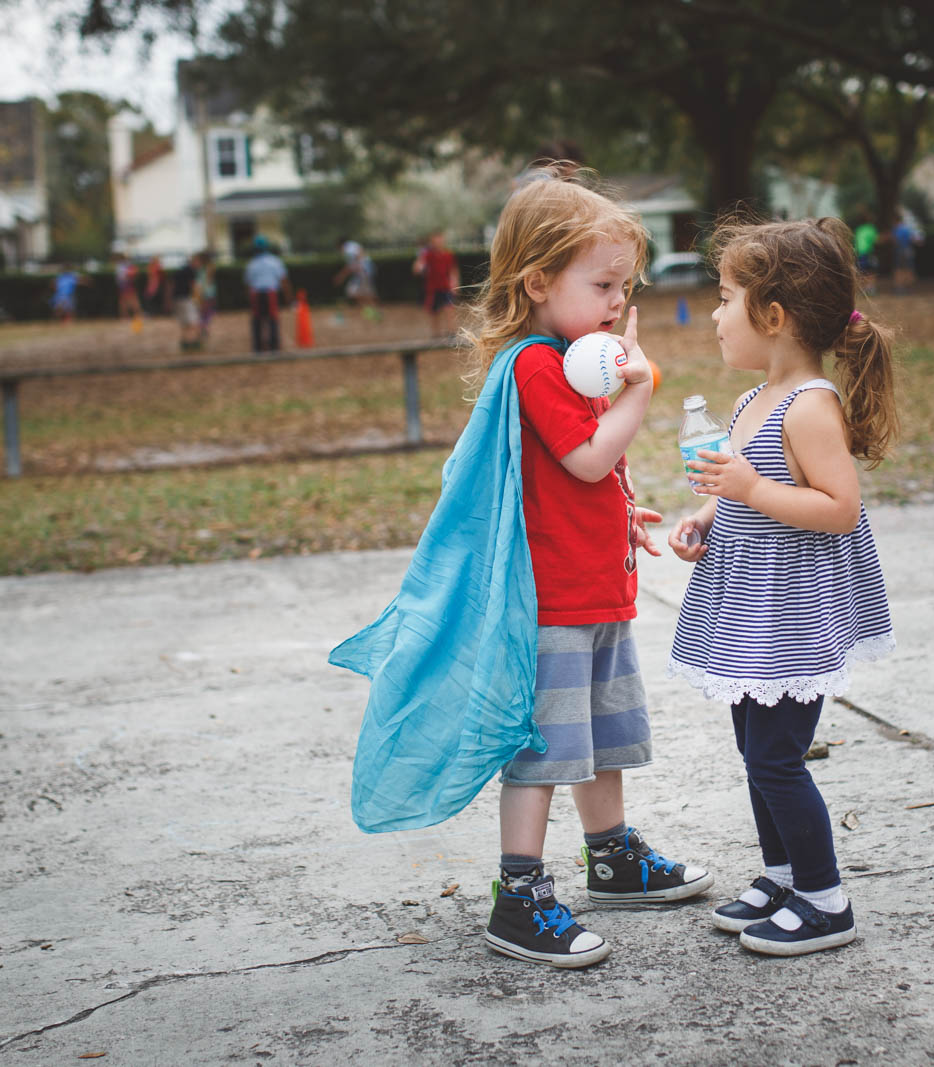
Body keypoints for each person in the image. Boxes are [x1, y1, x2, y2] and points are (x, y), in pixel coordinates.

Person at [331, 170, 712, 970]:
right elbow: (583, 456)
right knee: (543, 746)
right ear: (539, 281)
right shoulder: (538, 363)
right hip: (554, 603)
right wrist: (642, 393)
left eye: (625, 286)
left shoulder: (569, 360)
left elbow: (576, 477)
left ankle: (610, 856)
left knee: (599, 738)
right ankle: (519, 893)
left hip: (594, 588)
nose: (617, 302)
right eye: (602, 283)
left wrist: (622, 512)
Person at [667, 216, 898, 958]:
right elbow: (740, 488)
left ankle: (826, 898)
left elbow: (838, 509)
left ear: (773, 316)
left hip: (792, 618)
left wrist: (753, 488)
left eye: (727, 296)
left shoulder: (810, 404)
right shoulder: (751, 401)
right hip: (750, 614)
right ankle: (782, 874)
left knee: (775, 756)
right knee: (752, 744)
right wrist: (705, 514)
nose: (714, 311)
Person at [243, 236, 290, 353]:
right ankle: (274, 346)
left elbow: (248, 283)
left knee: (257, 320)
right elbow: (283, 280)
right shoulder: (275, 261)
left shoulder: (251, 263)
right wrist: (288, 296)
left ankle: (258, 347)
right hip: (270, 293)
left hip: (256, 293)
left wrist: (248, 297)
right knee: (272, 318)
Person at [413, 229, 460, 337]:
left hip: (445, 287)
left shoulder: (448, 255)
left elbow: (453, 270)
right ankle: (436, 334)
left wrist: (455, 284)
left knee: (449, 309)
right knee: (434, 312)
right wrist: (419, 267)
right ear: (432, 241)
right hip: (432, 288)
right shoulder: (427, 255)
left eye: (440, 239)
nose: (439, 242)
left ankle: (452, 333)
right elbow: (418, 267)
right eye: (436, 239)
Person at [333, 236, 379, 320]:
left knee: (360, 292)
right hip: (364, 271)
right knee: (358, 292)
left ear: (339, 245)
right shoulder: (352, 245)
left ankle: (373, 312)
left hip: (363, 272)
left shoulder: (347, 249)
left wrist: (340, 276)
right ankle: (371, 311)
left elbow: (353, 264)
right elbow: (359, 256)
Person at [113, 253, 140, 319]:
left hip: (123, 284)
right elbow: (128, 273)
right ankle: (136, 315)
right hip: (126, 284)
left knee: (124, 300)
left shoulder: (120, 265)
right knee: (132, 299)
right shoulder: (122, 265)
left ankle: (125, 316)